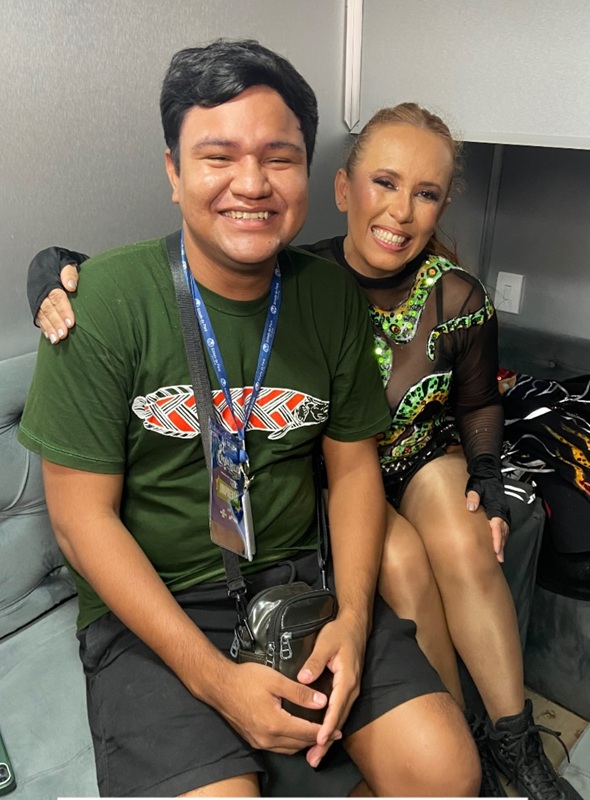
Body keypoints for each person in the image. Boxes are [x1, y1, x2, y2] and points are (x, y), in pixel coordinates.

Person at [30, 98, 584, 800]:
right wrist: (54, 271)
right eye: (385, 182)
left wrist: (484, 477)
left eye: (426, 194)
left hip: (395, 466)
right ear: (344, 189)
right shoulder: (293, 274)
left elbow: (470, 405)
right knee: (398, 557)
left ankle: (508, 736)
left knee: (467, 548)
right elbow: (170, 287)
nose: (401, 211)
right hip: (300, 495)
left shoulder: (433, 296)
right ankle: (453, 718)